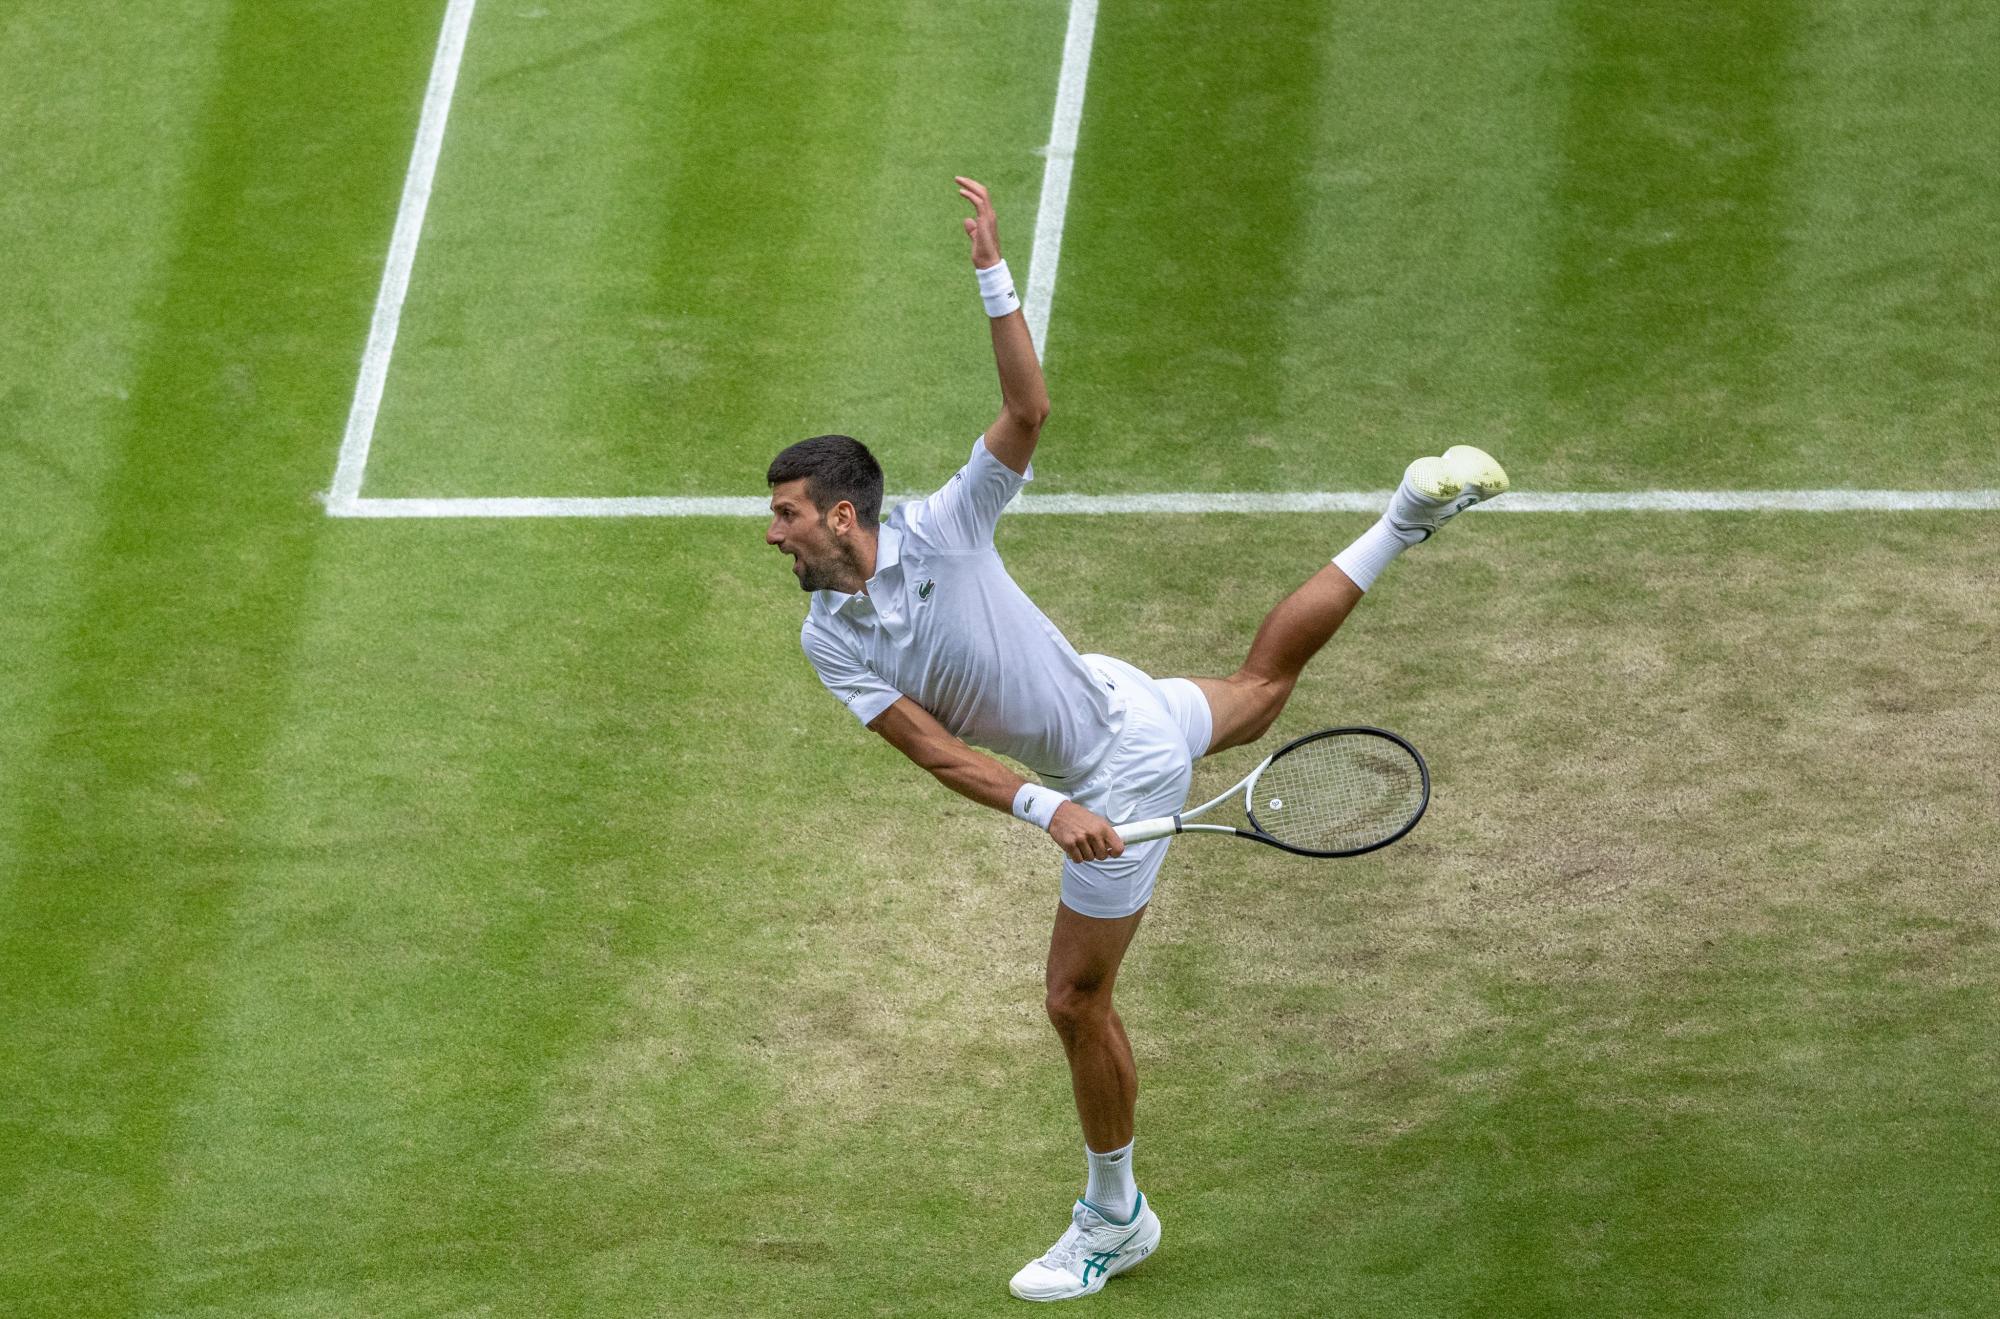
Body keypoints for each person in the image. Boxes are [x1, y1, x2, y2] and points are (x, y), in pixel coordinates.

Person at [763, 176, 1507, 1303]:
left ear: (844, 515)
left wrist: (991, 276)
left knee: (1073, 1000)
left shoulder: (949, 524)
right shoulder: (829, 637)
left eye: (784, 513)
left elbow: (1026, 414)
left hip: (1125, 762)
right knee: (1259, 688)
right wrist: (1043, 804)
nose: (770, 531)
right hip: (1117, 705)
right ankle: (1406, 513)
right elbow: (933, 749)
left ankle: (1115, 1215)